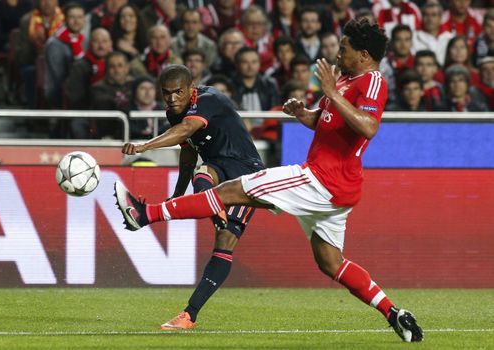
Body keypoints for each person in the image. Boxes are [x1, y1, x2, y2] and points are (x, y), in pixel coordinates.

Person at [114, 19, 424, 343]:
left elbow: (368, 127)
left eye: (343, 49)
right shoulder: (346, 80)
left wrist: (331, 92)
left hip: (322, 179)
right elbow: (327, 121)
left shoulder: (372, 81)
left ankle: (145, 215)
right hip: (332, 188)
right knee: (331, 263)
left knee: (231, 191)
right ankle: (394, 313)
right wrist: (304, 114)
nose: (337, 54)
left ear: (363, 54)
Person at [116, 64, 265, 330]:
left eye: (178, 93)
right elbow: (188, 151)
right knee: (202, 173)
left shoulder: (209, 100)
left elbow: (186, 131)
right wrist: (177, 194)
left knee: (224, 243)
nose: (172, 99)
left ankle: (190, 313)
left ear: (191, 89)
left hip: (247, 172)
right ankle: (188, 317)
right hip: (218, 166)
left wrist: (142, 146)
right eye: (166, 94)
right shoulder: (175, 112)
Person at [44, 2, 86, 108]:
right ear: (65, 19)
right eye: (72, 17)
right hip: (60, 91)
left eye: (80, 17)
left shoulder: (85, 40)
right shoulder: (54, 44)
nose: (76, 21)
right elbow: (59, 78)